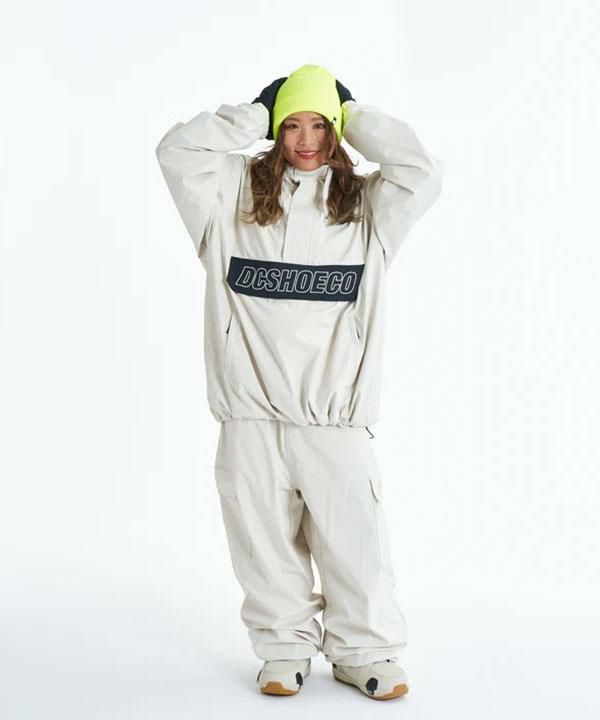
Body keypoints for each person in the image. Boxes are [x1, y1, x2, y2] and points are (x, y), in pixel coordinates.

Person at [155, 63, 443, 701]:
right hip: (250, 413)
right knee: (262, 544)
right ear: (274, 130)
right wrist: (252, 114)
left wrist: (357, 114)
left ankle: (365, 652)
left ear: (337, 131)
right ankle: (283, 651)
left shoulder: (367, 207)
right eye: (291, 125)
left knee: (354, 543)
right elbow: (177, 151)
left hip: (332, 418)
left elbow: (421, 171)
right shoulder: (229, 195)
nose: (306, 139)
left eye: (320, 124)